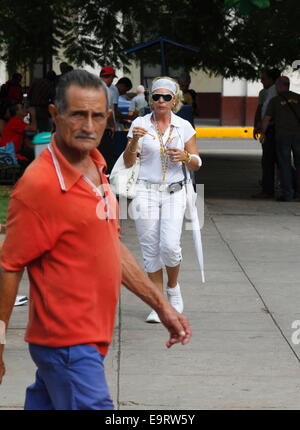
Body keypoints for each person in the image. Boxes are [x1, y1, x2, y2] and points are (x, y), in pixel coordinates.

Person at [0, 70, 191, 410]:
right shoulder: (40, 185)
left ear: (108, 119)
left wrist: (161, 305)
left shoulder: (98, 168)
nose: (88, 125)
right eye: (78, 114)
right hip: (68, 342)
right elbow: (10, 267)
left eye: (97, 115)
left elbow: (109, 248)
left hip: (88, 338)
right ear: (56, 115)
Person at [123, 76, 202, 323]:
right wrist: (134, 140)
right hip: (145, 191)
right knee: (150, 249)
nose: (160, 100)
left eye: (166, 97)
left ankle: (174, 288)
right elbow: (127, 162)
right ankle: (158, 303)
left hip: (174, 192)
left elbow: (197, 162)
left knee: (169, 246)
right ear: (150, 99)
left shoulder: (183, 126)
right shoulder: (139, 122)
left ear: (174, 100)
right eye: (156, 96)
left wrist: (186, 156)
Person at [261, 76, 300, 201]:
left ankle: (287, 194)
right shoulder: (298, 98)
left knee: (285, 165)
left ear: (279, 86)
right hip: (298, 136)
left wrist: (263, 133)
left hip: (282, 136)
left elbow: (266, 119)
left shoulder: (275, 100)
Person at [252, 68, 281, 199]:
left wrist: (263, 128)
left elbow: (272, 115)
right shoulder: (267, 92)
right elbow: (261, 109)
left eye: (264, 78)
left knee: (269, 160)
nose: (261, 81)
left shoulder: (275, 93)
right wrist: (257, 124)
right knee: (276, 159)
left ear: (272, 79)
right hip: (268, 127)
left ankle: (268, 189)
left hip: (272, 128)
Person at [99, 66, 119, 172]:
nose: (112, 81)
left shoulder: (92, 87)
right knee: (106, 157)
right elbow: (108, 112)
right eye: (112, 78)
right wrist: (112, 125)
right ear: (110, 77)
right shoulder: (106, 90)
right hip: (104, 129)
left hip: (93, 128)